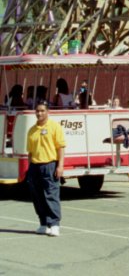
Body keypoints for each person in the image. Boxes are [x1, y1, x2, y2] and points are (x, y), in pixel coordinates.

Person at [27, 101, 66, 236]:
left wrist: (60, 166)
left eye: (42, 111)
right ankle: (43, 223)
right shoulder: (32, 130)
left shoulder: (55, 127)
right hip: (35, 166)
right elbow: (30, 152)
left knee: (51, 194)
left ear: (48, 112)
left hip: (49, 165)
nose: (39, 113)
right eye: (37, 111)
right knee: (37, 196)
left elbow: (60, 147)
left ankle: (54, 224)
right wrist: (29, 168)